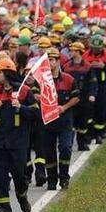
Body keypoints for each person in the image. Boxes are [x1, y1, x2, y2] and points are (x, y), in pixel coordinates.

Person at [0, 59, 36, 212]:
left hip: (18, 141)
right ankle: (3, 209)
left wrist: (21, 107)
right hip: (0, 141)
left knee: (19, 175)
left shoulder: (24, 91)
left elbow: (36, 113)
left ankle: (22, 195)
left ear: (7, 73)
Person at [40, 48, 80, 190]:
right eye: (47, 60)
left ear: (57, 61)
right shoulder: (42, 80)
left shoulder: (69, 79)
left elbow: (76, 97)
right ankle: (51, 180)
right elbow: (34, 94)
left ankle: (64, 178)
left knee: (65, 148)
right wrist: (46, 100)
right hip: (48, 121)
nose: (49, 62)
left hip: (64, 121)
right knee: (49, 152)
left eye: (51, 60)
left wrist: (64, 107)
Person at [62, 42, 97, 151]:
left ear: (78, 52)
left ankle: (82, 144)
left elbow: (92, 82)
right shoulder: (66, 66)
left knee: (82, 123)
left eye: (72, 51)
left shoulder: (87, 66)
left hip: (83, 99)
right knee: (70, 123)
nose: (70, 52)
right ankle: (69, 144)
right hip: (70, 99)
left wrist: (92, 95)